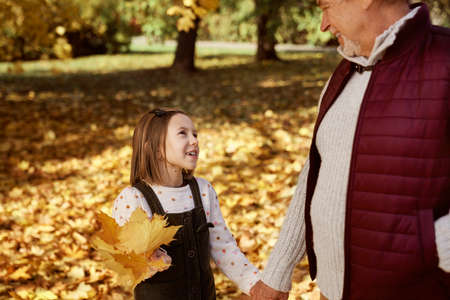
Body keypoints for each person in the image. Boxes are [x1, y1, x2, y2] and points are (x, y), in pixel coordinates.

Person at [251, 1, 450, 300]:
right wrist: (278, 270)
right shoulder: (343, 74)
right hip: (330, 292)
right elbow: (316, 173)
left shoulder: (445, 62)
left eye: (326, 6)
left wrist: (430, 248)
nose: (323, 24)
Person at [112, 108, 260, 300]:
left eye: (195, 134)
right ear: (155, 148)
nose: (194, 140)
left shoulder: (203, 191)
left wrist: (254, 284)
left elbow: (223, 246)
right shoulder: (134, 199)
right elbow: (126, 262)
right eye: (183, 133)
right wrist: (151, 259)